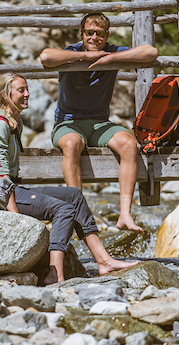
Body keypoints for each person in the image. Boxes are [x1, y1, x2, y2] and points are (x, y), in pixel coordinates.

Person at [0, 72, 137, 283]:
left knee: (74, 195)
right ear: (5, 95)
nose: (27, 94)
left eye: (27, 89)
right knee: (63, 209)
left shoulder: (13, 121)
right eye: (21, 90)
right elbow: (0, 173)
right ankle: (55, 274)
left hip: (9, 189)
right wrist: (15, 217)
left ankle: (104, 261)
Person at [40, 13, 159, 232]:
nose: (94, 38)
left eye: (100, 34)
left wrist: (111, 59)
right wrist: (86, 57)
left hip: (100, 124)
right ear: (81, 33)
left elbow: (151, 52)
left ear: (107, 35)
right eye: (89, 33)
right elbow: (46, 56)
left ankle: (125, 215)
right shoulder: (73, 51)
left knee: (129, 143)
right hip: (68, 123)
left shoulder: (112, 52)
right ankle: (78, 213)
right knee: (71, 144)